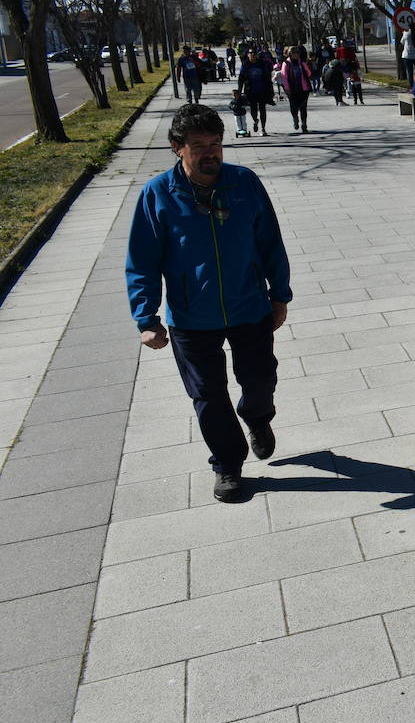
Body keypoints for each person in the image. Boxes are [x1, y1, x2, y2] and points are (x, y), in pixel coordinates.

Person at [125, 103, 292, 503]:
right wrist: (146, 317)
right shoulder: (157, 195)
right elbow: (142, 260)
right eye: (198, 145)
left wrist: (279, 294)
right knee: (208, 394)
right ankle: (228, 465)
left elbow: (270, 240)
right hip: (190, 316)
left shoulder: (244, 183)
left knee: (260, 381)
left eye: (216, 143)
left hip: (249, 305)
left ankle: (257, 419)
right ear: (177, 148)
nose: (210, 152)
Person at [237, 49, 275, 135]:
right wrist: (239, 90)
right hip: (250, 91)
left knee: (262, 109)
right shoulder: (245, 65)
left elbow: (267, 77)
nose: (253, 55)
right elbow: (241, 78)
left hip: (262, 90)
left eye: (254, 53)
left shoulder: (261, 64)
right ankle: (255, 120)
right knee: (253, 109)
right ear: (248, 55)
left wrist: (270, 90)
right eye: (251, 53)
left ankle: (263, 128)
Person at [278, 45, 313, 133]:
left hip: (303, 88)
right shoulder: (286, 64)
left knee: (303, 108)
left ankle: (304, 125)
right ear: (290, 54)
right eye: (295, 53)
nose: (297, 54)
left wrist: (305, 67)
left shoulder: (301, 63)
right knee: (294, 107)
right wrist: (287, 88)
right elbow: (284, 77)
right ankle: (295, 118)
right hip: (292, 89)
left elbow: (309, 74)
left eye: (298, 53)